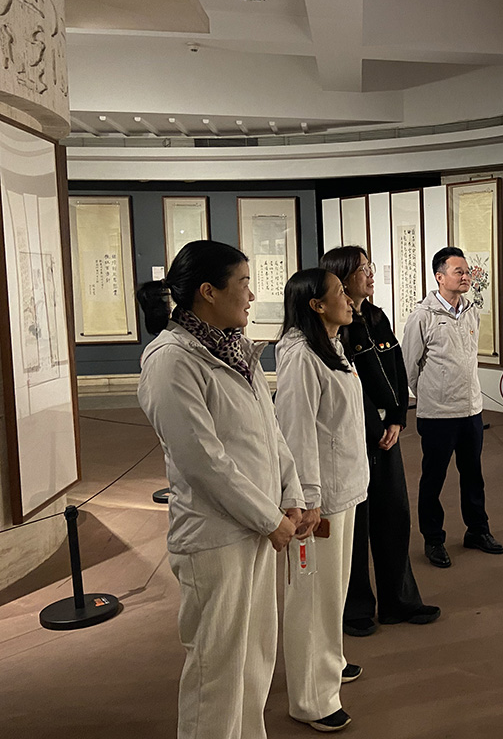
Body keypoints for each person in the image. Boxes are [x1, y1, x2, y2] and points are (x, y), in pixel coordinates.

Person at [136, 240, 305, 739]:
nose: (251, 296)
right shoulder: (171, 360)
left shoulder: (235, 348)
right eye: (244, 284)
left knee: (254, 660)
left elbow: (270, 432)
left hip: (257, 528)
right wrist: (270, 519)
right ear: (208, 292)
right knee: (217, 673)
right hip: (215, 539)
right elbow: (203, 462)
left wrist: (291, 494)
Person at [320, 246, 440, 637]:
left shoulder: (376, 317)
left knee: (394, 516)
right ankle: (355, 607)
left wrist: (399, 419)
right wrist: (378, 425)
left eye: (370, 266)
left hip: (387, 436)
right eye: (362, 269)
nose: (370, 274)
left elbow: (396, 372)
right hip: (354, 439)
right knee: (355, 525)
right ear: (341, 277)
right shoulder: (333, 328)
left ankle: (398, 601)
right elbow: (348, 389)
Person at [274, 268, 371, 733]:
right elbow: (297, 432)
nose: (349, 299)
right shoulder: (299, 356)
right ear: (316, 304)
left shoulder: (330, 346)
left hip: (342, 487)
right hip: (321, 498)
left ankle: (330, 662)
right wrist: (307, 498)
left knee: (334, 591)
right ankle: (312, 697)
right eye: (339, 293)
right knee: (313, 597)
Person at [402, 246, 503, 568]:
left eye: (467, 271)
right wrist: (430, 394)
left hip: (471, 410)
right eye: (459, 271)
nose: (466, 277)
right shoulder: (423, 316)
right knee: (433, 478)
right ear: (440, 277)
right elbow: (409, 366)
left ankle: (478, 530)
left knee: (473, 475)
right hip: (437, 414)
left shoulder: (471, 310)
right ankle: (433, 539)